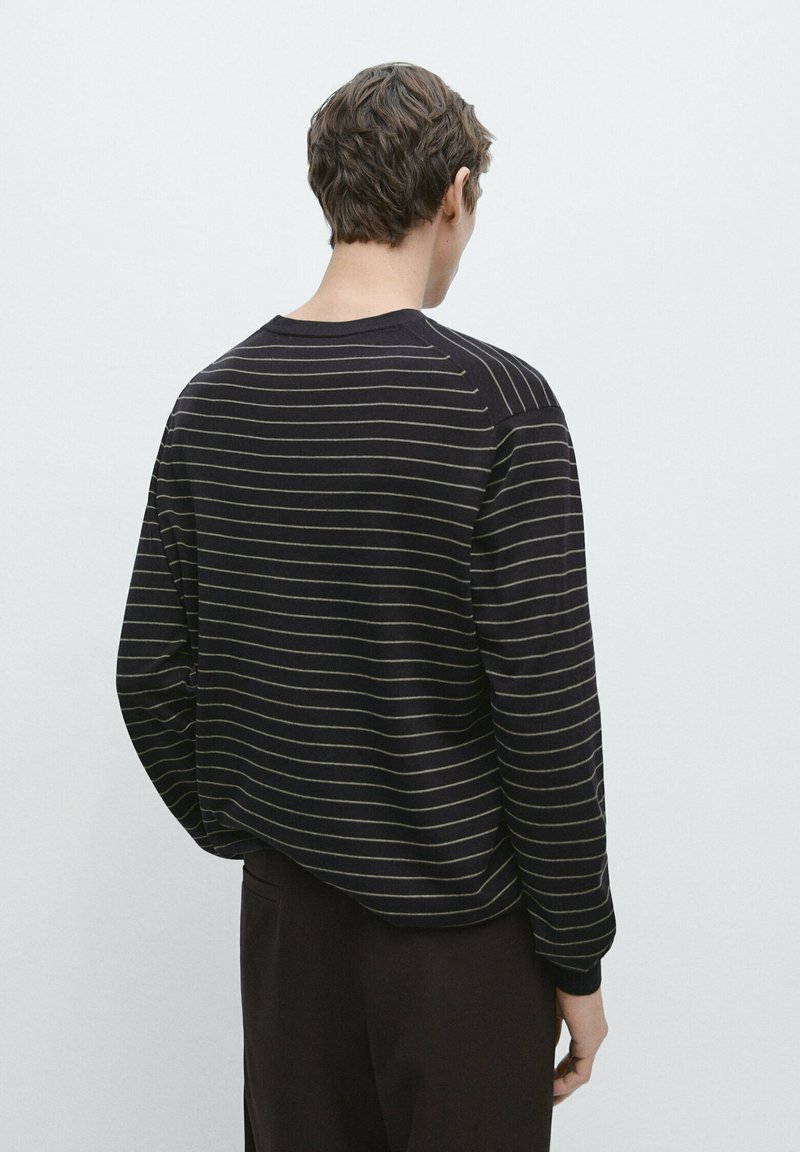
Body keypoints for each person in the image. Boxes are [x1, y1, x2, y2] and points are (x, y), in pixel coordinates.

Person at [115, 60, 615, 1151]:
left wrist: (259, 831)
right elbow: (544, 715)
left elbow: (150, 673)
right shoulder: (499, 406)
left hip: (287, 935)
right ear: (455, 194)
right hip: (463, 949)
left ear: (328, 188)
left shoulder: (213, 403)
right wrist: (576, 958)